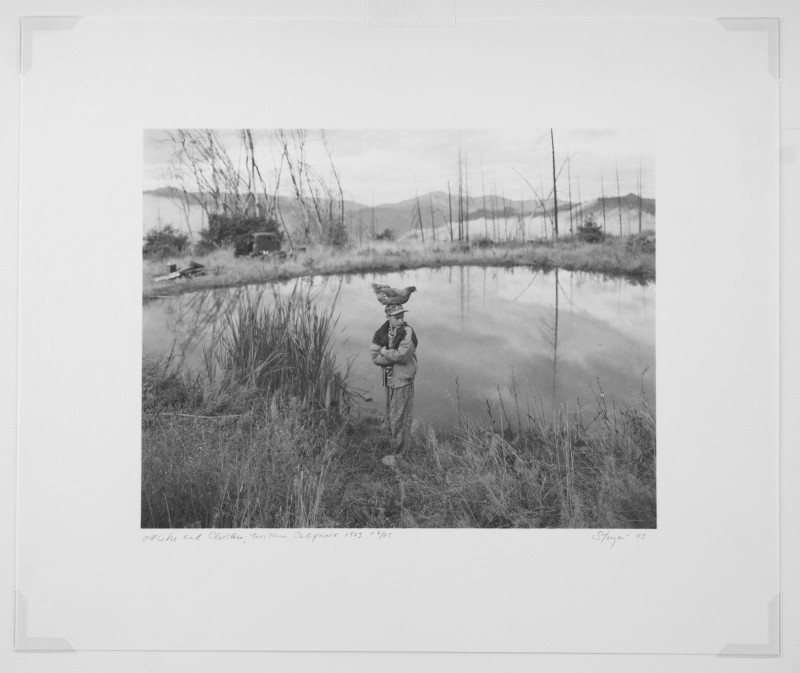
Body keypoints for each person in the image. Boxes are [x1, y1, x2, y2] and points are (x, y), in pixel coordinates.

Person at [370, 304, 418, 466]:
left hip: (403, 380)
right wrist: (389, 357)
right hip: (390, 380)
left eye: (402, 317)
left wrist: (385, 353)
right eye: (396, 317)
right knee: (393, 417)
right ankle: (399, 452)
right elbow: (374, 356)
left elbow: (403, 356)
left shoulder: (408, 332)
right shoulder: (381, 333)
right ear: (388, 317)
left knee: (401, 418)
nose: (400, 320)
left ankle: (400, 456)